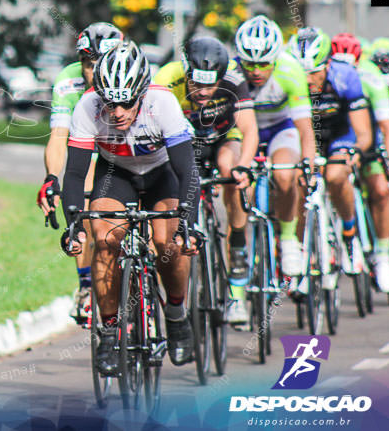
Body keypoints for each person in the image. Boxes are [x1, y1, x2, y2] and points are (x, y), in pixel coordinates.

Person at [61, 40, 199, 372]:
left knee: (170, 243)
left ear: (142, 93)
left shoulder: (162, 103)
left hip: (161, 173)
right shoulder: (87, 106)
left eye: (126, 104)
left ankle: (177, 315)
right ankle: (109, 333)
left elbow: (186, 170)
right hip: (116, 173)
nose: (118, 113)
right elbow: (77, 173)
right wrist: (73, 226)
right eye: (111, 104)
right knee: (106, 241)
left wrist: (188, 224)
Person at [154, 35, 259, 324]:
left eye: (209, 85)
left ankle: (237, 241)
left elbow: (249, 130)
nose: (202, 92)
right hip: (182, 144)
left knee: (231, 170)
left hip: (223, 138)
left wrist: (245, 168)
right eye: (195, 83)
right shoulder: (166, 78)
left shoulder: (235, 80)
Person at [37, 22, 123, 327]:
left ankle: (143, 288)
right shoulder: (67, 82)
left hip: (126, 150)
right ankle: (87, 284)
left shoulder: (131, 74)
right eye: (88, 64)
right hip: (87, 146)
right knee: (84, 202)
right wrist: (52, 177)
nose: (95, 71)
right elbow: (59, 136)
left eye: (102, 62)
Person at [234, 15, 316, 278]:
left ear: (276, 59)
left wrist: (308, 165)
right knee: (239, 189)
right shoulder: (232, 74)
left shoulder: (290, 71)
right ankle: (239, 253)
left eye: (263, 63)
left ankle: (290, 240)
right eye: (250, 63)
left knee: (284, 174)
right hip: (244, 131)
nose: (256, 71)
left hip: (280, 128)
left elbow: (305, 128)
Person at [289, 28, 372, 275]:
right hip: (307, 134)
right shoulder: (292, 79)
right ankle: (299, 249)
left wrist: (354, 152)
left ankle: (349, 234)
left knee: (336, 176)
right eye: (303, 72)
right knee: (298, 181)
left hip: (340, 134)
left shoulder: (345, 76)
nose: (308, 80)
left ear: (327, 64)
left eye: (314, 72)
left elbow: (364, 132)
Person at [329, 33, 389, 292]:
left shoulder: (369, 78)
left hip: (368, 136)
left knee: (379, 189)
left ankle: (382, 255)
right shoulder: (326, 80)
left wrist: (386, 159)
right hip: (338, 137)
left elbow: (387, 127)